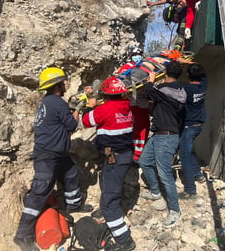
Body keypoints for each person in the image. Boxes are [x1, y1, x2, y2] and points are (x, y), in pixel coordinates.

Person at [14, 67, 92, 251]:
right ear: (58, 85)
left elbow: (60, 121)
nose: (65, 85)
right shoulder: (57, 102)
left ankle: (74, 205)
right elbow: (71, 125)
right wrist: (79, 109)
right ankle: (22, 236)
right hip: (48, 155)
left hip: (56, 154)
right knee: (40, 192)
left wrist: (74, 105)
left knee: (71, 173)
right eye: (63, 83)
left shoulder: (48, 102)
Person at [82, 77, 136, 251]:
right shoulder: (127, 106)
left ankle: (124, 240)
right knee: (106, 181)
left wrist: (90, 104)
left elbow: (86, 121)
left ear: (105, 95)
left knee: (108, 200)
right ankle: (108, 213)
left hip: (116, 157)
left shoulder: (105, 109)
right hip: (122, 155)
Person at [138, 61, 187, 227]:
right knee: (144, 161)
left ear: (165, 72)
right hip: (161, 135)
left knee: (165, 175)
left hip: (165, 137)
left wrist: (151, 80)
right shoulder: (180, 91)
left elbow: (146, 94)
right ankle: (155, 192)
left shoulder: (162, 91)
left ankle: (174, 210)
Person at [179, 64, 207, 199]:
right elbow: (204, 74)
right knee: (188, 151)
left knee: (184, 155)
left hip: (189, 126)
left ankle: (190, 190)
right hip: (199, 125)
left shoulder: (185, 89)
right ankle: (198, 174)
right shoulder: (203, 85)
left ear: (188, 75)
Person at [117, 46, 150, 162]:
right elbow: (122, 82)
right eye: (135, 54)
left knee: (144, 126)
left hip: (142, 101)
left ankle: (139, 151)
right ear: (130, 56)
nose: (138, 56)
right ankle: (136, 154)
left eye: (139, 53)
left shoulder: (145, 65)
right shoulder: (126, 68)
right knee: (137, 127)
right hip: (133, 102)